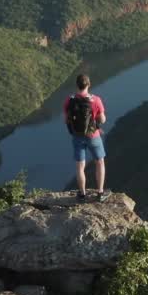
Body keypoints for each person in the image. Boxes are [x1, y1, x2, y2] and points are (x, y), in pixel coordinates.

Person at [64, 74, 109, 203]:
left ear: (77, 85)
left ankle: (82, 194)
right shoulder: (95, 100)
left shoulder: (69, 100)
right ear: (88, 85)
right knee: (99, 162)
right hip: (93, 136)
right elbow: (103, 120)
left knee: (80, 166)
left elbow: (66, 119)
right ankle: (100, 193)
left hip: (77, 136)